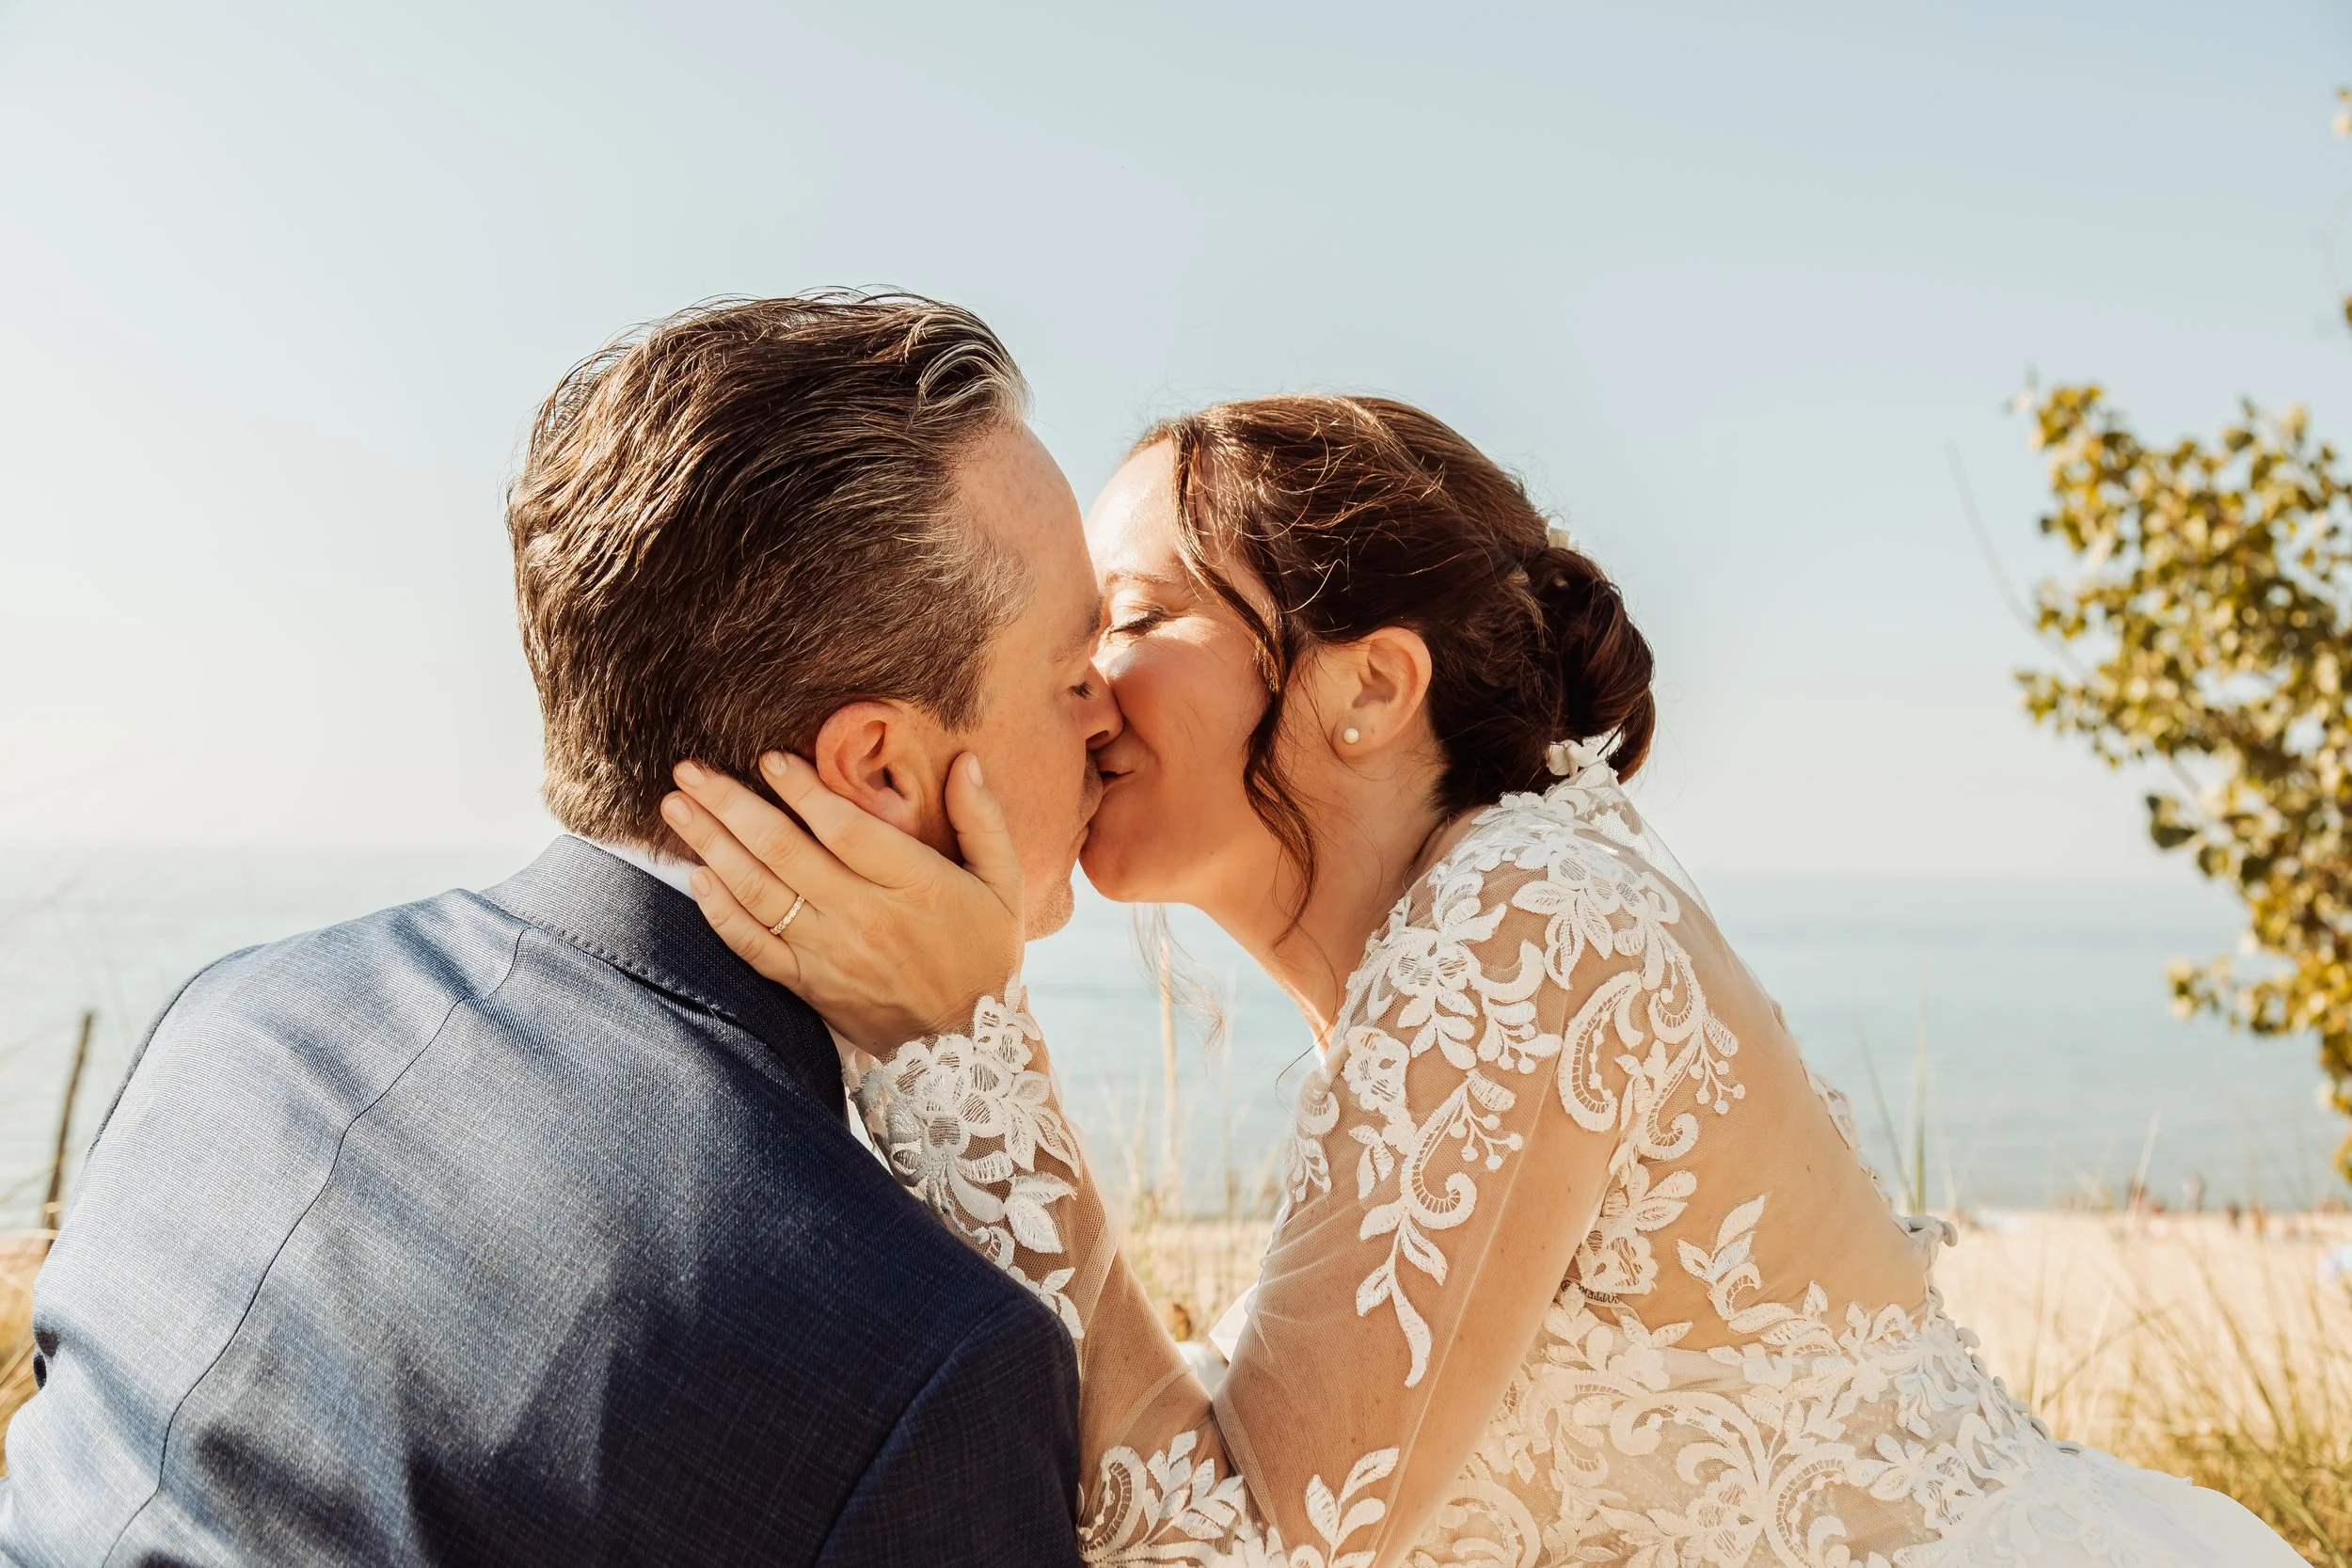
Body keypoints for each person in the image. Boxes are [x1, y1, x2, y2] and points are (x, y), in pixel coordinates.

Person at [664, 394, 2307, 1567]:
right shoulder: (1434, 960)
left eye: (1141, 613)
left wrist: (959, 1040)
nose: (1083, 679)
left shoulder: (1526, 923)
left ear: (1367, 686)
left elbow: (1235, 1555)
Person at [0, 294, 1116, 1565]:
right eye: (1073, 677)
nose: (1111, 722)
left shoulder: (238, 1019)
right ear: (877, 768)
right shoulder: (929, 1363)